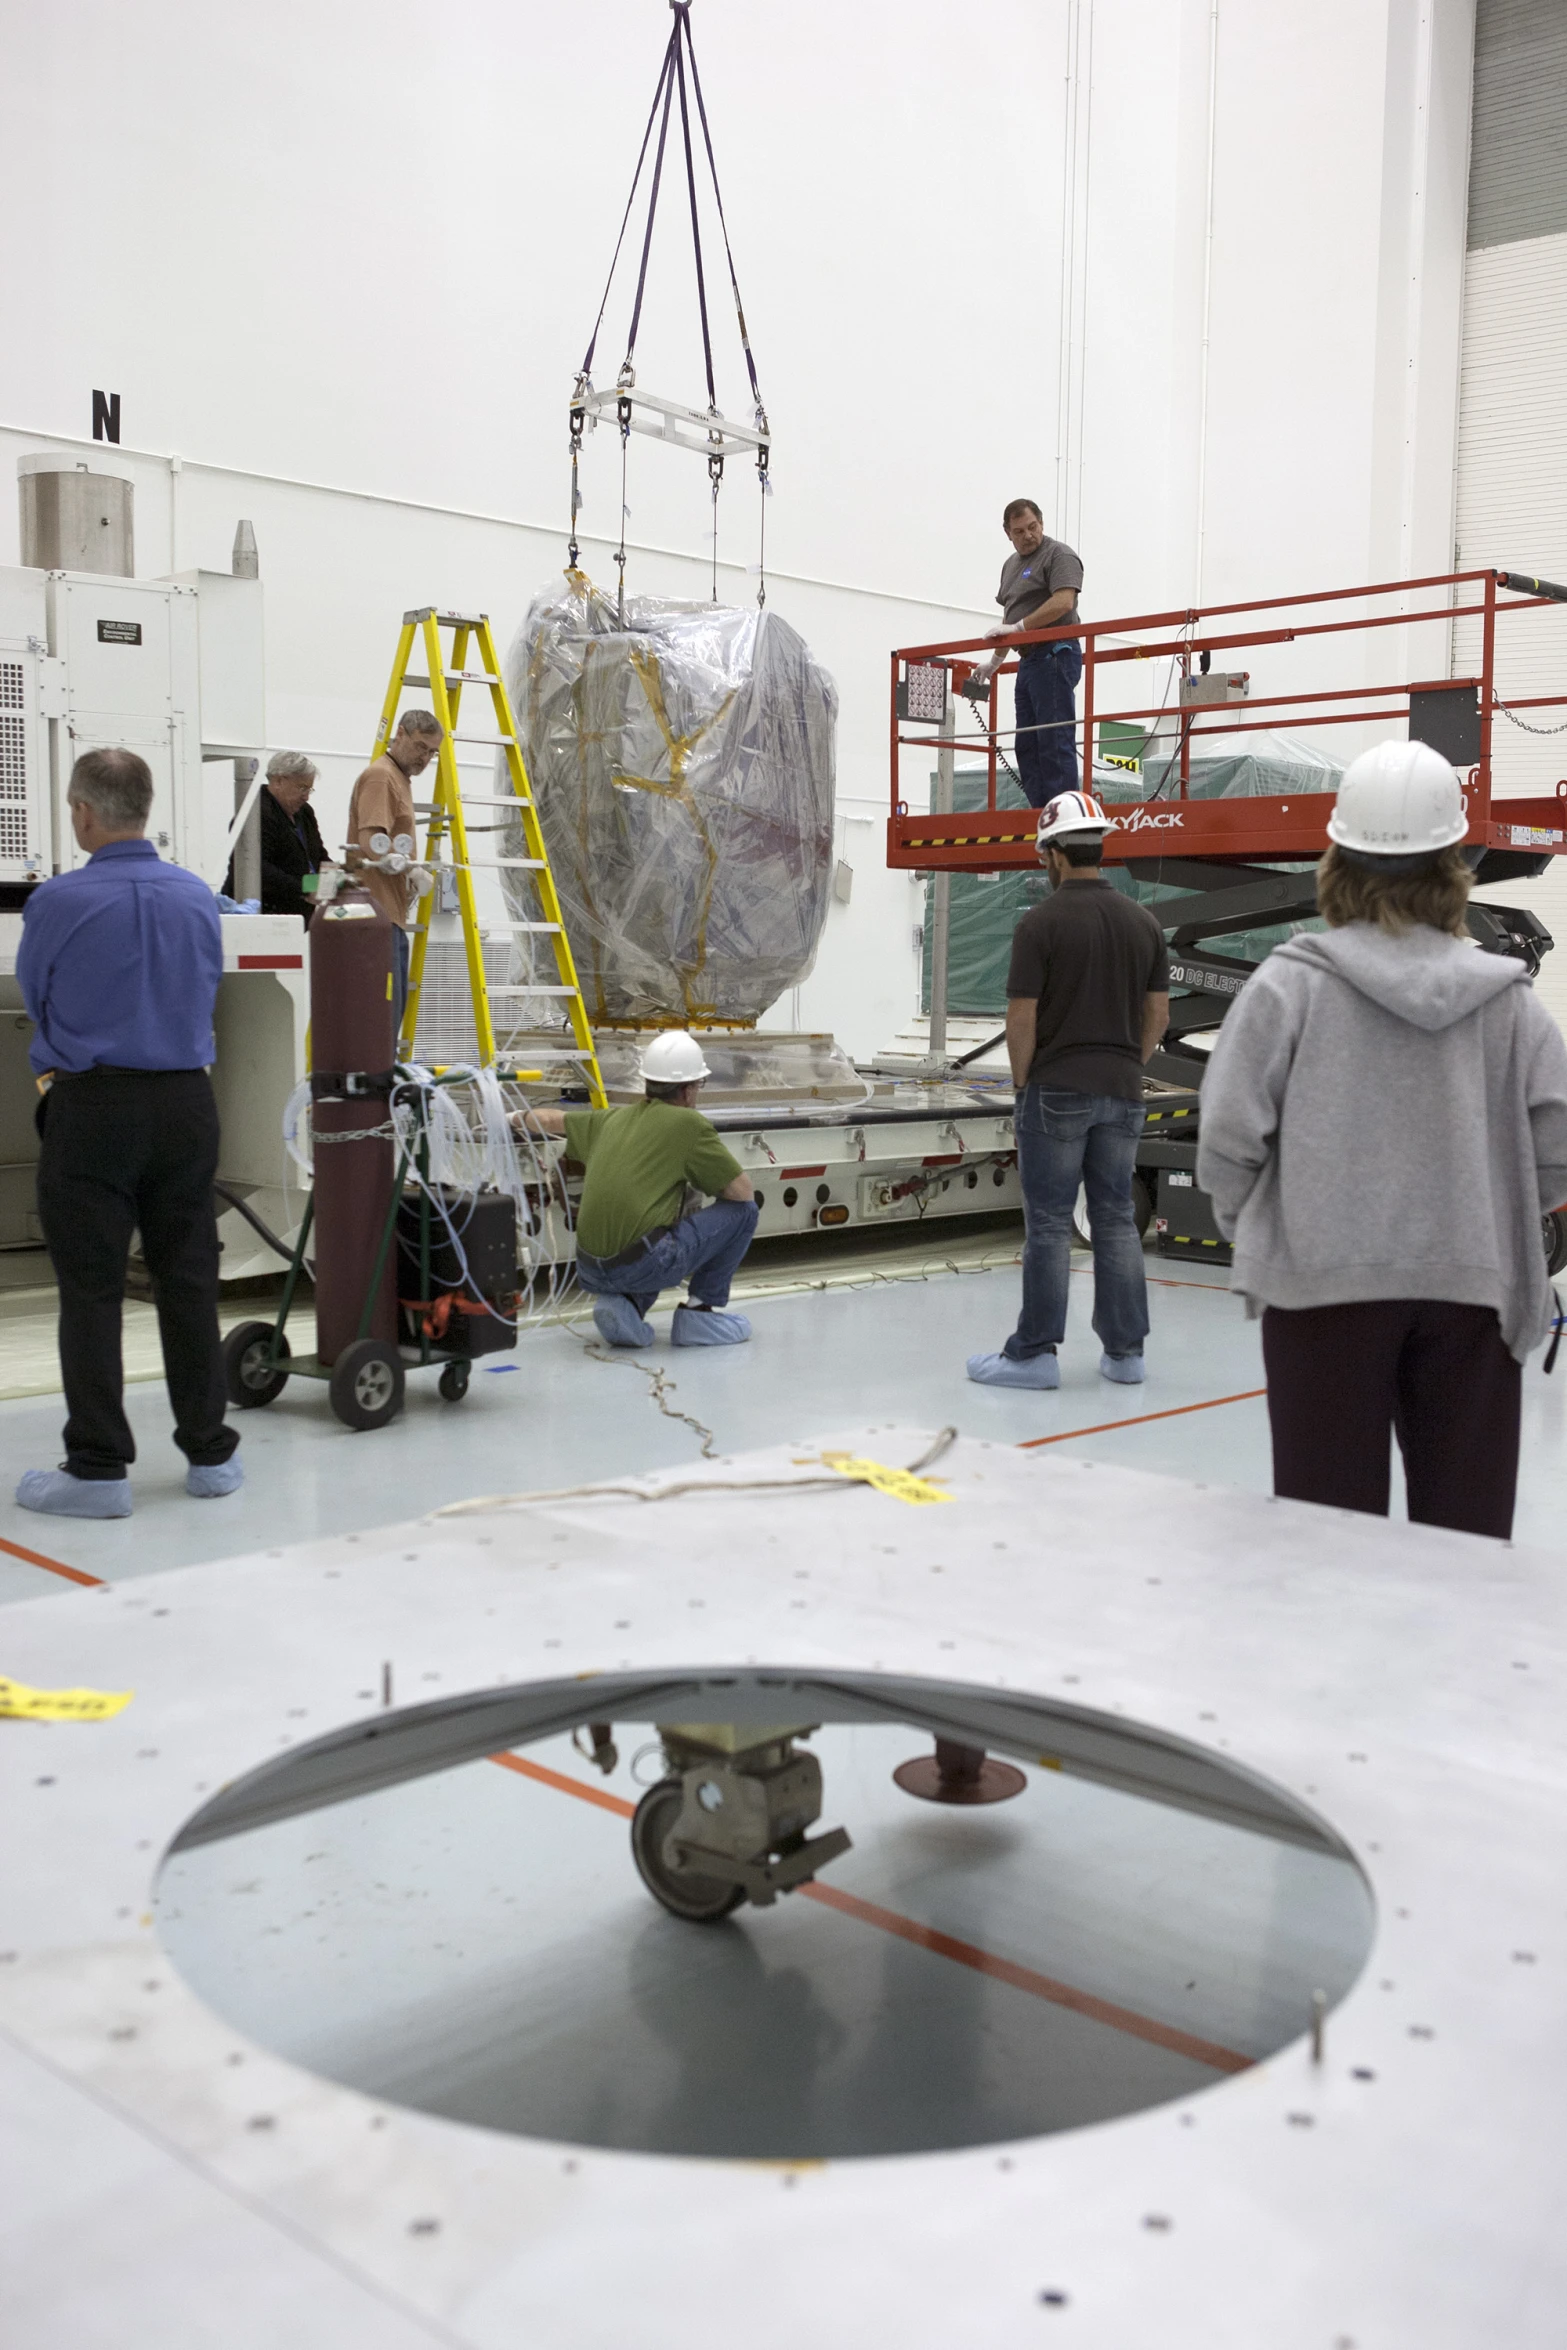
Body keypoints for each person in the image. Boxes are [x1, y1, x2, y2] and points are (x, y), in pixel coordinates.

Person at [1197, 738, 1567, 1541]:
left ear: (1336, 859)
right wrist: (1490, 1213)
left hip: (1319, 1288)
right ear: (1454, 866)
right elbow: (1557, 1137)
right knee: (1464, 1544)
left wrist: (1266, 1231)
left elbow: (1227, 1136)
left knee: (1328, 1539)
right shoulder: (1508, 1002)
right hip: (1472, 1294)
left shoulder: (1288, 986)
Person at [14, 749, 242, 1519]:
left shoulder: (57, 901)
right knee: (188, 1279)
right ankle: (210, 1456)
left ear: (82, 810)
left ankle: (99, 1469)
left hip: (96, 1108)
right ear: (146, 809)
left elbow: (38, 998)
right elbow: (208, 985)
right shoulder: (196, 897)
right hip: (186, 1105)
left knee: (90, 1289)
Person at [968, 792, 1169, 1392]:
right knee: (1113, 1219)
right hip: (1123, 1090)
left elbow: (1021, 1017)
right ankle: (1126, 1354)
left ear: (1054, 852)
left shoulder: (1041, 923)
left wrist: (1024, 1081)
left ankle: (1033, 1355)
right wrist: (1127, 1065)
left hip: (1056, 1087)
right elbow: (1158, 1015)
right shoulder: (1145, 923)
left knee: (1051, 1223)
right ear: (1097, 846)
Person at [514, 1031, 759, 1348]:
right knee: (743, 1213)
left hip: (589, 1270)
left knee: (652, 1223)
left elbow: (549, 1120)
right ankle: (700, 1313)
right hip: (642, 1265)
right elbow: (741, 1193)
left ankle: (623, 1305)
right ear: (687, 1090)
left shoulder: (611, 1119)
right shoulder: (690, 1124)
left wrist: (509, 1116)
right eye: (699, 1085)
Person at [965, 499, 1085, 810]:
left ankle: (1063, 813)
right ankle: (1041, 811)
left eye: (1032, 527)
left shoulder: (1059, 555)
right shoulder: (1010, 566)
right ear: (1008, 533)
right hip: (1029, 660)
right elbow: (1010, 618)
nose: (1028, 535)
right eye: (1019, 531)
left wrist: (1018, 628)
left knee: (1053, 740)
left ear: (1042, 524)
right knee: (1027, 745)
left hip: (1055, 653)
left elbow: (1063, 603)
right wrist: (994, 663)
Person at [347, 710, 443, 1027]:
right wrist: (411, 870)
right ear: (399, 734)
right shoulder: (381, 777)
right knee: (380, 1020)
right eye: (420, 747)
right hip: (375, 915)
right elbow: (371, 840)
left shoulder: (399, 779)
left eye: (432, 752)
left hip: (389, 913)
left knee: (389, 1017)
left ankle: (380, 1076)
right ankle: (373, 1078)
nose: (425, 757)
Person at [224, 750, 326, 919]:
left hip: (298, 914)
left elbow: (318, 854)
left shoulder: (304, 813)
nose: (306, 796)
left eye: (310, 789)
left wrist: (335, 877)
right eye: (302, 788)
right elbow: (259, 869)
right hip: (265, 913)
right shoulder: (256, 813)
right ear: (279, 781)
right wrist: (305, 888)